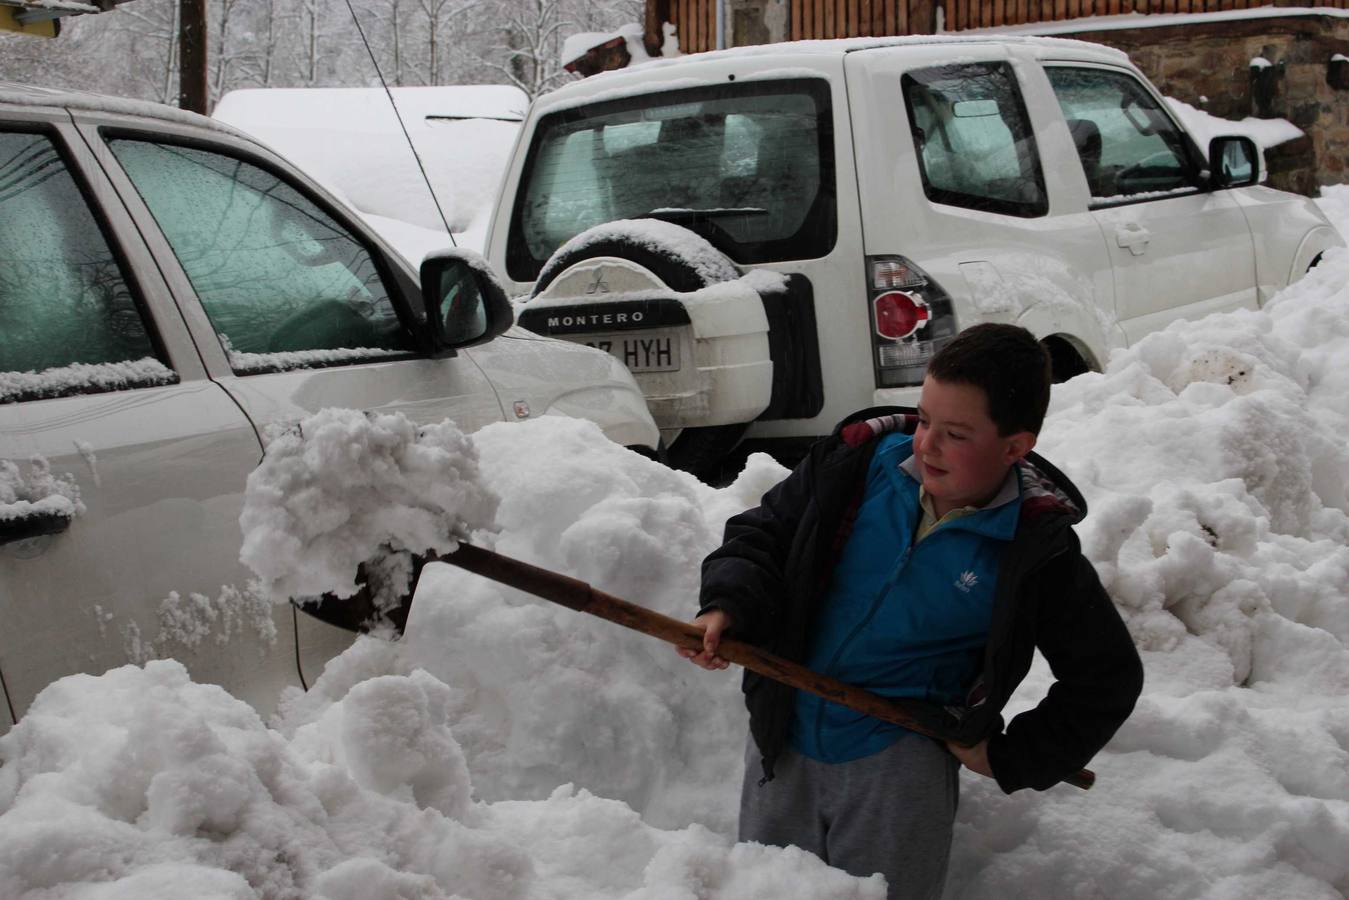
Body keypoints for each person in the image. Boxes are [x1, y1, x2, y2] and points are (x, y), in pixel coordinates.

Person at [678, 323, 1143, 900]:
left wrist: (1008, 754)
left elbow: (1106, 676)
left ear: (1015, 447)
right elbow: (764, 534)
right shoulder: (855, 468)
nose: (926, 446)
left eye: (956, 434)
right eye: (924, 420)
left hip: (897, 769)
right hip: (784, 734)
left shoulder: (1031, 548)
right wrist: (728, 604)